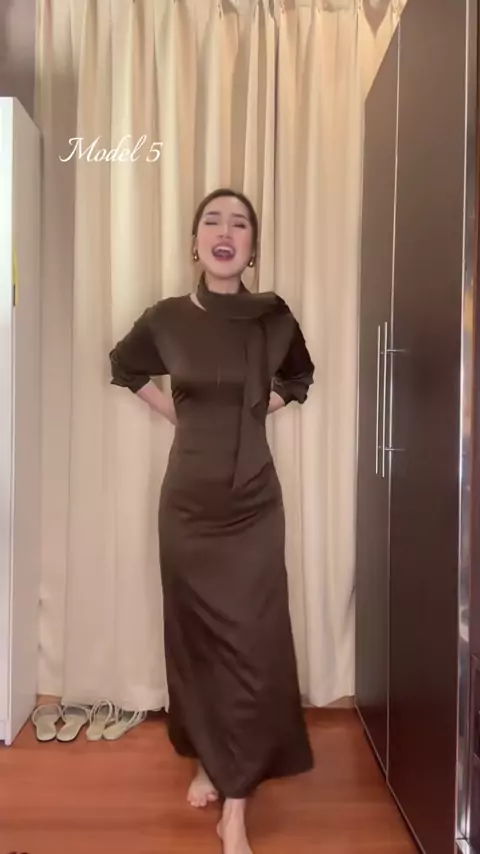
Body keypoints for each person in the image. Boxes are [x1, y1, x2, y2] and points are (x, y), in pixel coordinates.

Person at [109, 188, 315, 854]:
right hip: (189, 507)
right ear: (194, 240)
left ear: (252, 246)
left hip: (253, 504)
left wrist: (255, 413)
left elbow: (299, 378)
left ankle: (236, 809)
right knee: (196, 642)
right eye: (212, 221)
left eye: (240, 224)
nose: (225, 232)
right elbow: (124, 365)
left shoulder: (273, 317)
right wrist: (180, 414)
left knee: (254, 647)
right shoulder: (167, 318)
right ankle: (206, 756)